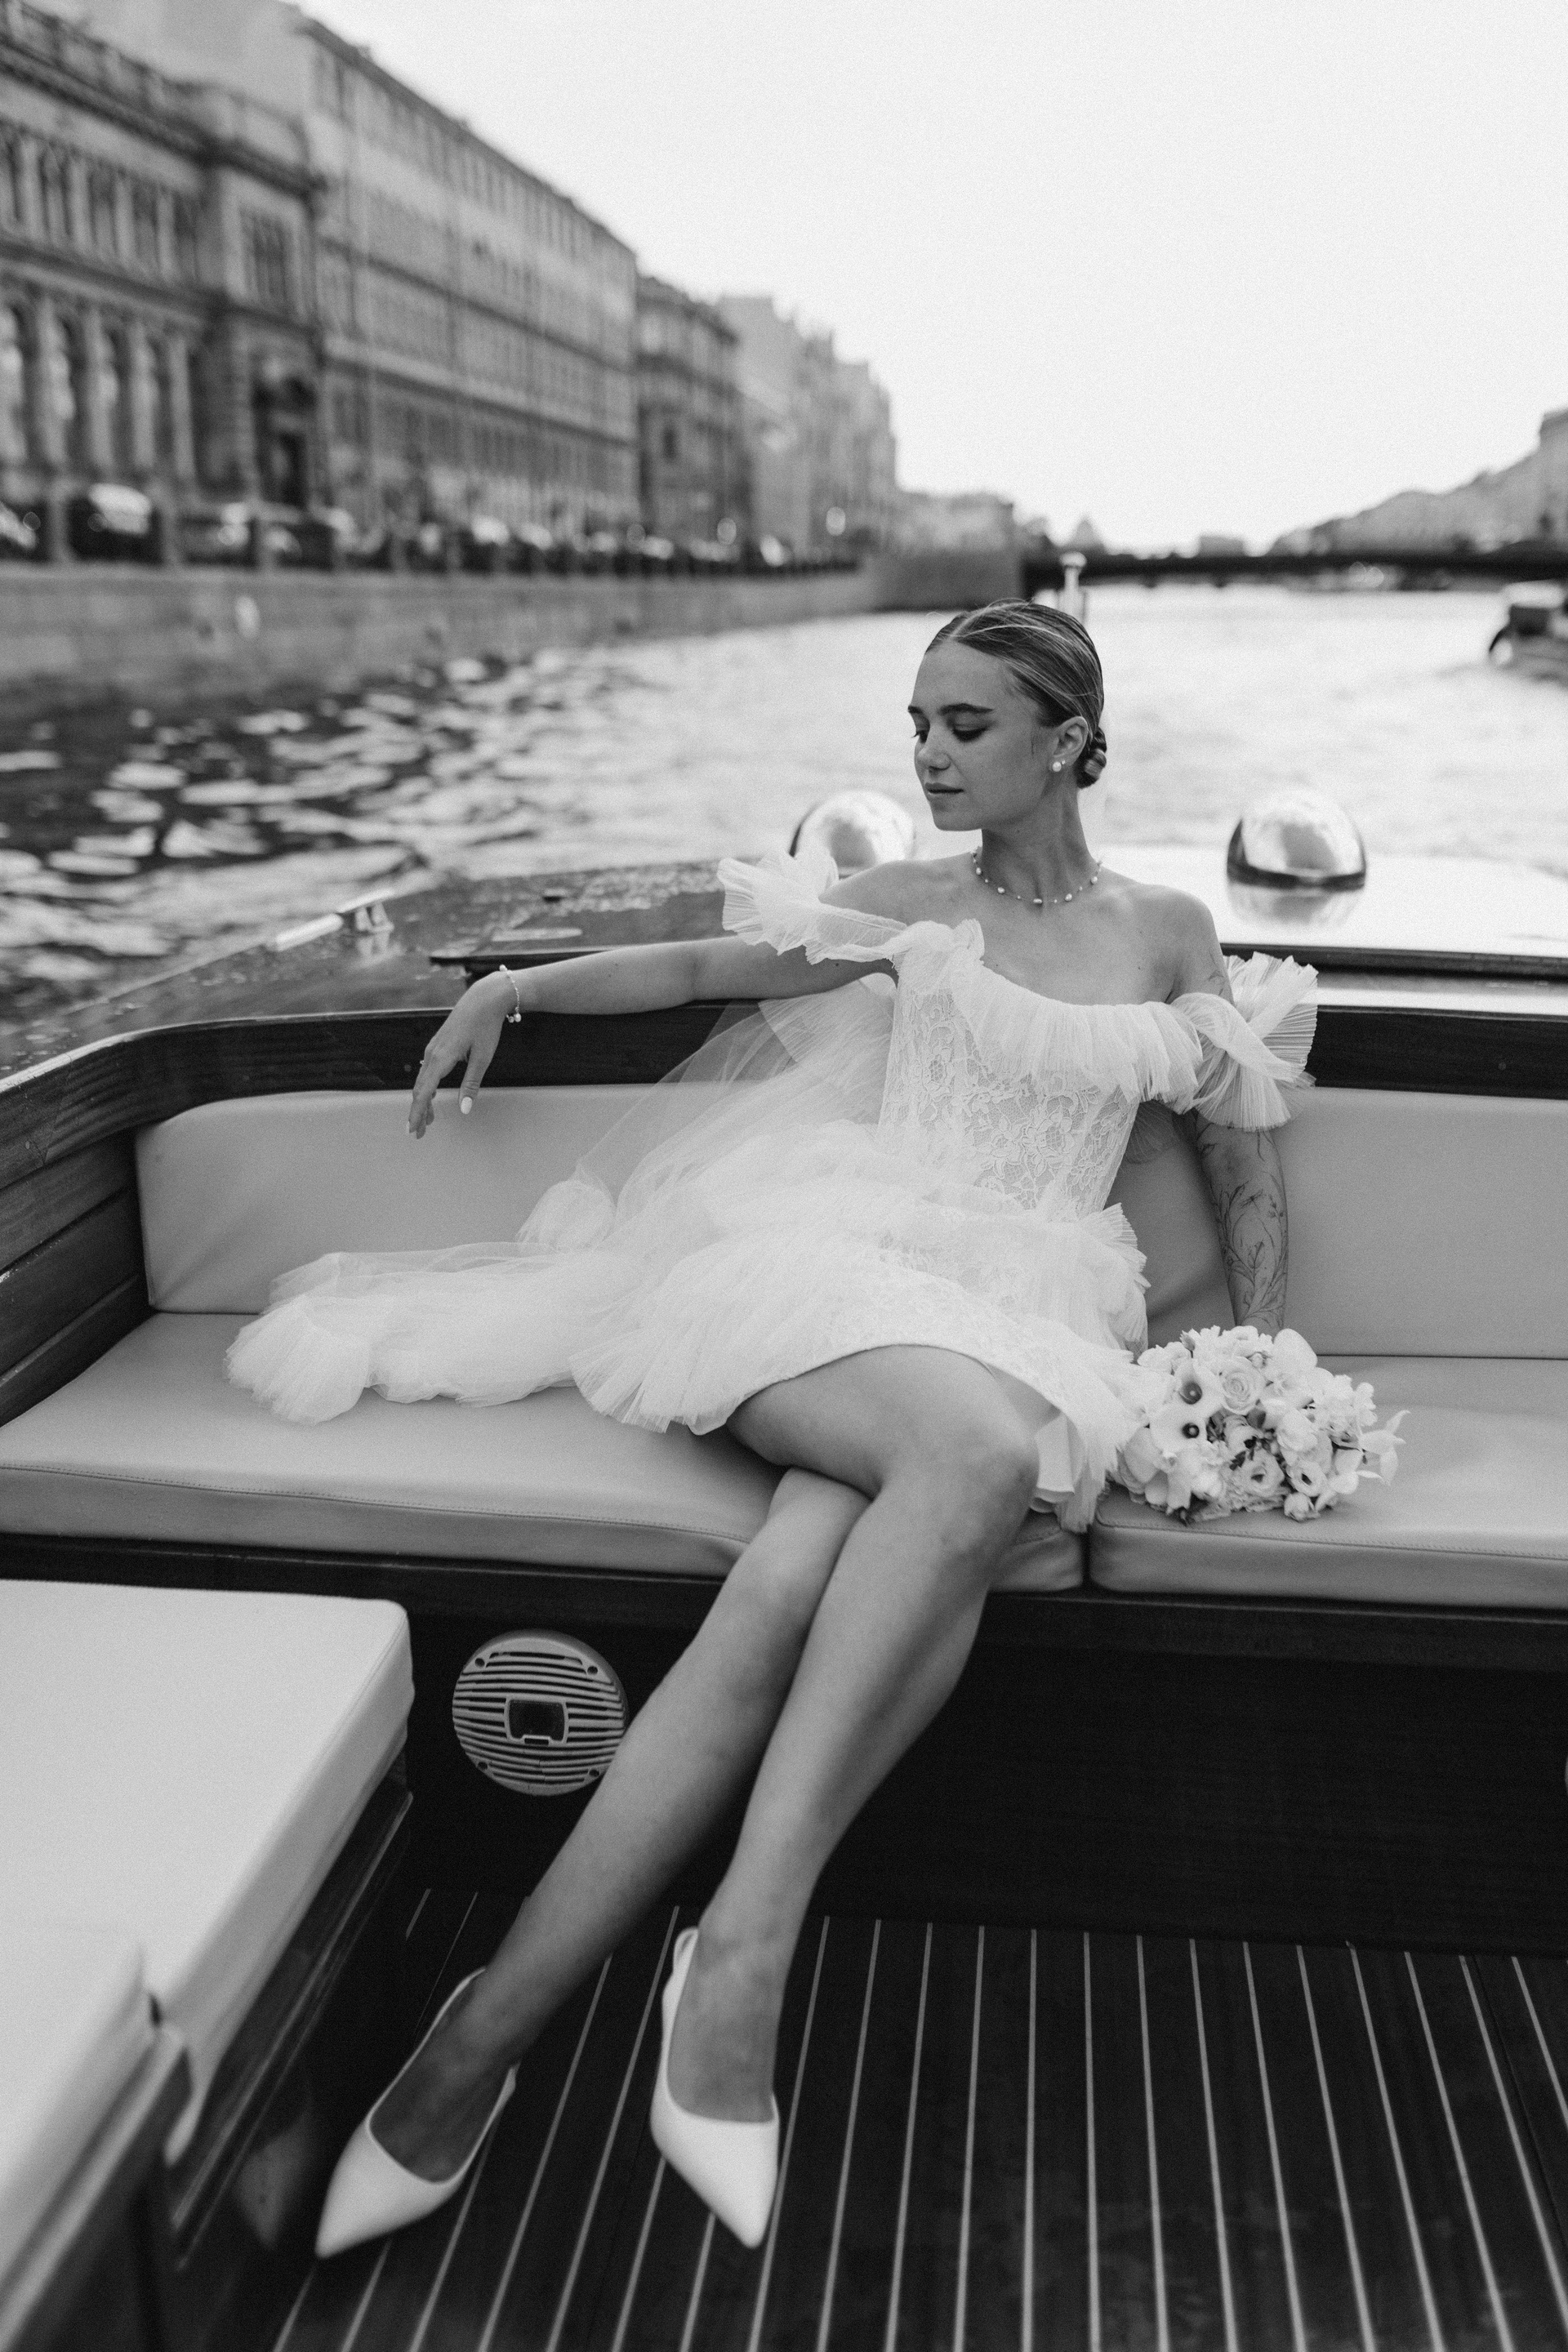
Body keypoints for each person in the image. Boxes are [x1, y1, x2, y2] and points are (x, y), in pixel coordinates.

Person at [229, 601, 1313, 2256]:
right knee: (971, 1462)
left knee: (795, 1580)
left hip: (1031, 1312)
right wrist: (512, 986)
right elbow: (697, 965)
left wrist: (1261, 1355)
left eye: (965, 724)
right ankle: (742, 1956)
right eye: (917, 722)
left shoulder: (1169, 933)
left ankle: (478, 2041)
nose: (929, 752)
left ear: (1068, 743)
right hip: (833, 1270)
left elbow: (1244, 1158)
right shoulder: (910, 903)